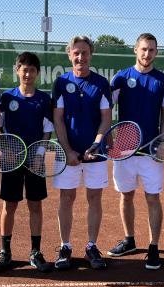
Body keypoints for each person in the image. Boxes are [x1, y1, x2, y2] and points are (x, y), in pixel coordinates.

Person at [107, 33, 164, 270]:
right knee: (126, 195)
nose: (147, 54)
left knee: (152, 198)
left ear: (156, 52)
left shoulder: (163, 81)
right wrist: (107, 140)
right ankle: (130, 240)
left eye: (152, 50)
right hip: (123, 150)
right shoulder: (121, 78)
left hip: (151, 151)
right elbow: (105, 111)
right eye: (143, 49)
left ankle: (154, 247)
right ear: (136, 50)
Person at [52, 35, 112, 270]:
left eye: (84, 53)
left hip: (96, 154)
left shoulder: (101, 83)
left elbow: (106, 118)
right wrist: (68, 151)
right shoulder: (60, 83)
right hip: (67, 155)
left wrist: (96, 144)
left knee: (94, 198)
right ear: (69, 55)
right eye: (76, 53)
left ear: (90, 54)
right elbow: (58, 119)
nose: (80, 57)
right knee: (66, 198)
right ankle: (65, 246)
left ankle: (91, 246)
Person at [0, 52, 53, 273]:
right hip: (11, 159)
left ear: (37, 73)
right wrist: (4, 149)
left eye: (32, 70)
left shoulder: (44, 100)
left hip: (35, 159)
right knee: (9, 205)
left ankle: (35, 252)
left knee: (35, 205)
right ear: (17, 70)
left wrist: (39, 154)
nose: (27, 74)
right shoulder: (7, 98)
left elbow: (47, 130)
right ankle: (5, 252)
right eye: (23, 69)